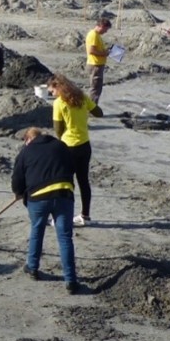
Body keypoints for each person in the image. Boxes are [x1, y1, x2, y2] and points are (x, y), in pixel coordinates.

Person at [11, 127, 79, 294]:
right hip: (64, 193)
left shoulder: (26, 151)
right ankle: (70, 280)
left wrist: (19, 193)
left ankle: (32, 267)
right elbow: (72, 167)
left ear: (28, 139)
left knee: (37, 230)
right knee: (65, 237)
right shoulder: (61, 145)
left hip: (38, 197)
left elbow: (17, 178)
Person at [49, 73, 103, 227]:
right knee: (83, 180)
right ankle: (85, 215)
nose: (52, 94)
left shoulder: (59, 103)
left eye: (52, 91)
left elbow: (58, 128)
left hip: (68, 146)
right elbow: (99, 113)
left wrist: (61, 140)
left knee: (67, 182)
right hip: (84, 145)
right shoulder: (82, 97)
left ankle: (64, 216)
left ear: (58, 88)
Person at [85, 17, 113, 104]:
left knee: (97, 88)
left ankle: (93, 107)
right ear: (101, 26)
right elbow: (91, 50)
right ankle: (92, 109)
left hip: (97, 65)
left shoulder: (96, 35)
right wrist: (104, 53)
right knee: (95, 88)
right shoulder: (93, 35)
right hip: (95, 65)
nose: (106, 31)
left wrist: (106, 51)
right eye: (106, 29)